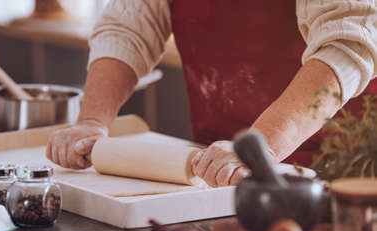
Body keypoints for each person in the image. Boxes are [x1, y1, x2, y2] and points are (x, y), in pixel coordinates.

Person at [46, 0, 377, 187]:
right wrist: (91, 121)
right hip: (217, 172)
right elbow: (127, 27)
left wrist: (261, 146)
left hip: (341, 175)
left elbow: (347, 46)